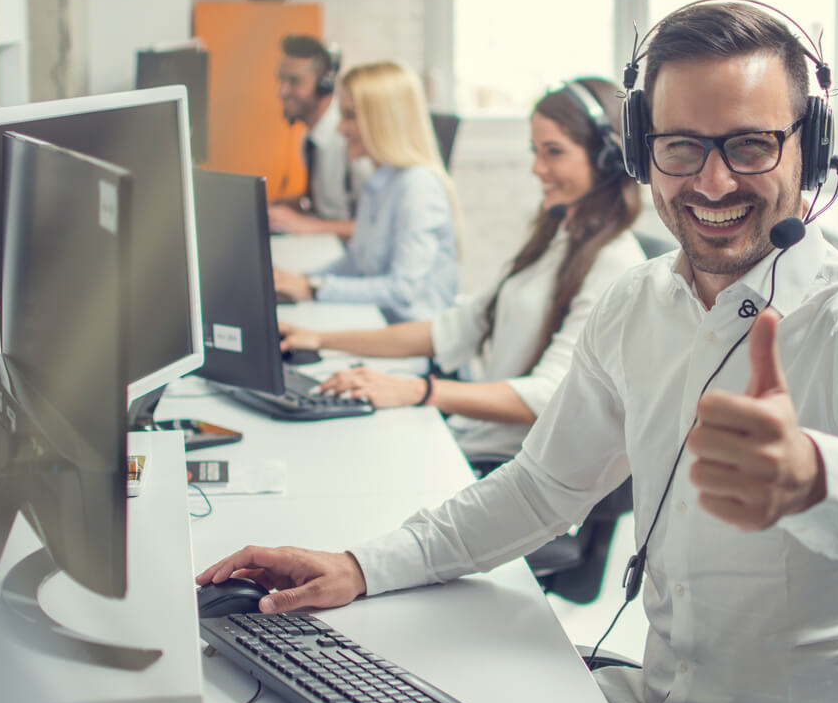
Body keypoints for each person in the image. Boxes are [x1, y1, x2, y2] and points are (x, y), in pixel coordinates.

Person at [200, 1, 838, 703]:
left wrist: (812, 480)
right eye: (679, 146)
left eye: (750, 145)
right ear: (643, 151)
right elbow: (540, 489)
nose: (709, 182)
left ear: (812, 146)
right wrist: (361, 566)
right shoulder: (636, 302)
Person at [278, 77, 646, 465]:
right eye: (534, 151)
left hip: (508, 467)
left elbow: (547, 394)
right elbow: (454, 327)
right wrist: (321, 339)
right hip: (474, 439)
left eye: (553, 152)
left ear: (609, 157)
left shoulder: (614, 264)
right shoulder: (557, 236)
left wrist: (419, 391)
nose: (537, 168)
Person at [272, 60, 461, 324]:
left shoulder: (417, 186)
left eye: (350, 116)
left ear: (383, 121)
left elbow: (401, 291)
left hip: (412, 347)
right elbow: (357, 263)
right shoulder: (380, 181)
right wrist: (304, 279)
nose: (340, 128)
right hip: (377, 324)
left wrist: (316, 289)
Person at [268, 34, 374, 237]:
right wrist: (278, 209)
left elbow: (375, 227)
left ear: (323, 85)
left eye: (294, 81)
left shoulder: (351, 141)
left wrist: (306, 225)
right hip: (324, 241)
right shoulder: (309, 140)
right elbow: (321, 202)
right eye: (281, 79)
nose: (281, 91)